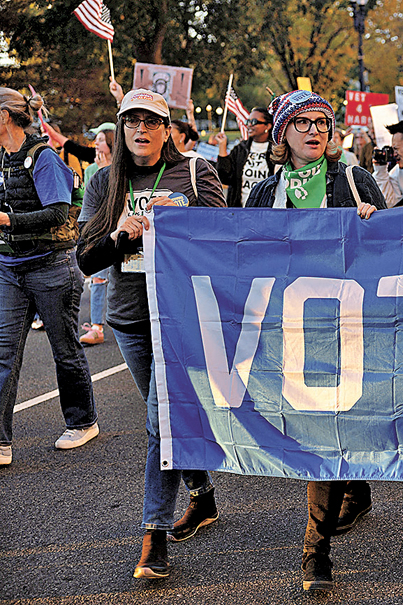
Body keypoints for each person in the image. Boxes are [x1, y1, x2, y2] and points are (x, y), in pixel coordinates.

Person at [76, 89, 227, 579]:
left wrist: (175, 213)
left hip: (184, 314)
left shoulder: (197, 172)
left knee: (161, 423)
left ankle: (153, 535)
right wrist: (118, 236)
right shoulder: (104, 181)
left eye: (151, 121)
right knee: (165, 418)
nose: (140, 129)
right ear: (121, 130)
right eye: (131, 121)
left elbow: (224, 236)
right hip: (131, 317)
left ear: (168, 129)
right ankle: (202, 497)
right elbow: (85, 259)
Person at [245, 89, 384, 592]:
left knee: (332, 431)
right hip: (290, 329)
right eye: (301, 123)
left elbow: (397, 255)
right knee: (321, 433)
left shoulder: (353, 179)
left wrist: (373, 223)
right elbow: (245, 256)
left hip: (349, 327)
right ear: (282, 133)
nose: (313, 132)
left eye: (322, 124)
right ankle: (346, 502)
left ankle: (314, 550)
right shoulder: (263, 193)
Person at [0, 87, 99, 467]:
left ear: (6, 117)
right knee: (3, 354)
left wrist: (9, 220)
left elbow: (59, 213)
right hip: (9, 269)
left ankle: (83, 421)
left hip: (51, 267)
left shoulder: (43, 158)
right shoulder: (3, 158)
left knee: (65, 350)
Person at [79, 125, 117, 346]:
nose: (96, 143)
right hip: (101, 231)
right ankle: (96, 327)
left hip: (123, 231)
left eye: (101, 139)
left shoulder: (123, 169)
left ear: (111, 143)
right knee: (98, 278)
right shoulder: (91, 170)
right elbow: (90, 206)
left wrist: (108, 173)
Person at [211, 107, 275, 207]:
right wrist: (222, 147)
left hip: (267, 211)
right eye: (247, 121)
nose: (249, 125)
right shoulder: (240, 149)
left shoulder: (277, 151)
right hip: (241, 211)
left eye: (254, 122)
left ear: (267, 126)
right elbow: (224, 177)